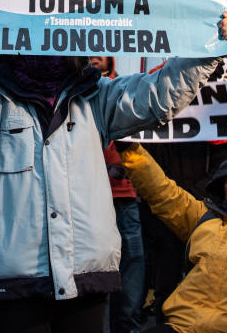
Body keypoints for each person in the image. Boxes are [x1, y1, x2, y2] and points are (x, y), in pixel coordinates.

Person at [0, 0, 227, 333]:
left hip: (86, 272)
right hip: (16, 276)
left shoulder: (97, 95)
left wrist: (207, 48)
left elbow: (156, 95)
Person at [117, 145, 227, 333]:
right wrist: (130, 150)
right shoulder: (203, 218)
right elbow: (162, 193)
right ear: (221, 185)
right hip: (183, 327)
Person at [92, 56, 145, 333]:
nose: (94, 56)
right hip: (84, 198)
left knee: (132, 263)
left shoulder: (126, 89)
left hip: (123, 194)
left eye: (100, 49)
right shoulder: (72, 92)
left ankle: (127, 328)